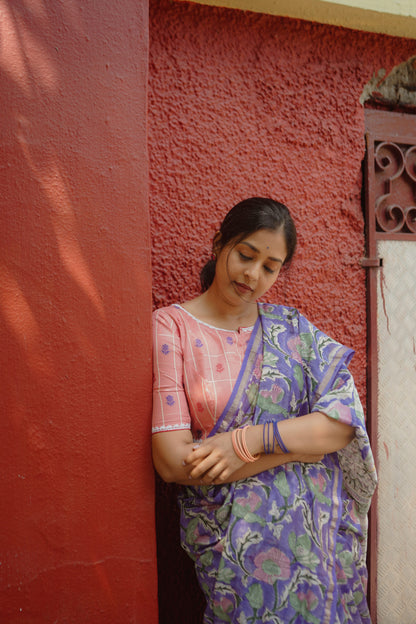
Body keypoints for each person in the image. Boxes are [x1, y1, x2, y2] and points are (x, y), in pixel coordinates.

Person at [152, 197, 377, 624]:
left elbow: (342, 427)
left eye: (270, 267)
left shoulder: (292, 330)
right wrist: (296, 448)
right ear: (220, 243)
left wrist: (248, 442)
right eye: (245, 255)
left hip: (312, 555)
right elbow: (171, 461)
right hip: (230, 551)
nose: (253, 275)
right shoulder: (172, 327)